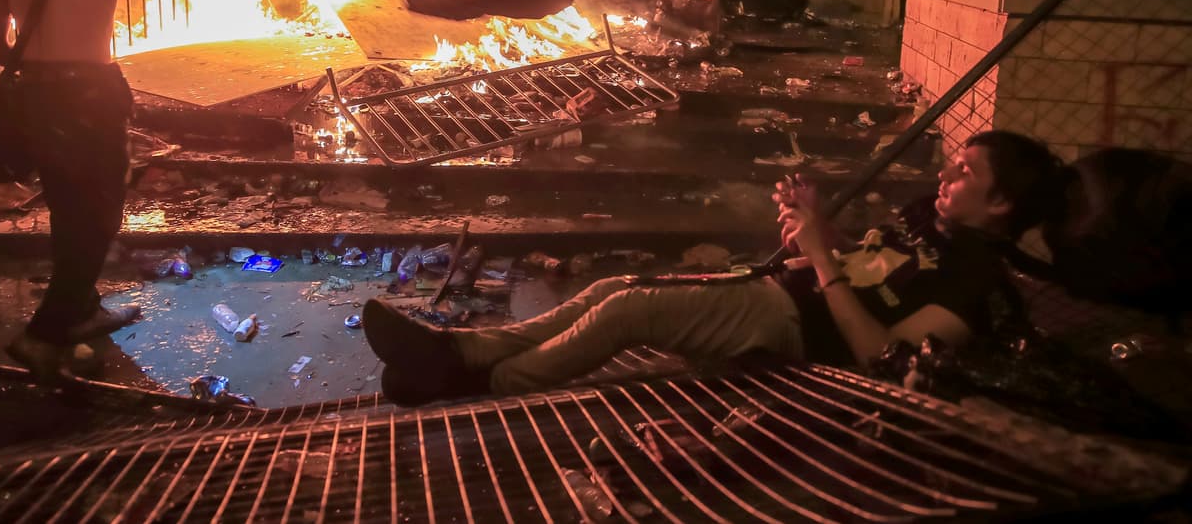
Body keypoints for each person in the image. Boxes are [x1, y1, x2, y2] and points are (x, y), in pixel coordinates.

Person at [362, 130, 1067, 405]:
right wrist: (816, 229)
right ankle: (459, 350)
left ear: (1002, 203)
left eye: (966, 172)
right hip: (776, 290)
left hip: (792, 328)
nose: (946, 174)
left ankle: (480, 381)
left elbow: (882, 355)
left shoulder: (975, 286)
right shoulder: (928, 216)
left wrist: (822, 258)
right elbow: (869, 263)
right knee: (613, 285)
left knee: (628, 310)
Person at [0, 0, 139, 380]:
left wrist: (38, 58)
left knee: (68, 205)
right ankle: (45, 332)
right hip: (92, 95)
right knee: (101, 210)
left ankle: (84, 309)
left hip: (40, 99)